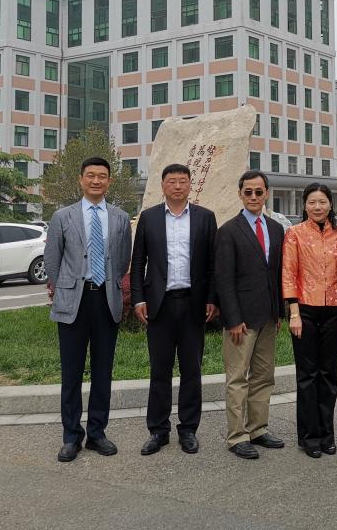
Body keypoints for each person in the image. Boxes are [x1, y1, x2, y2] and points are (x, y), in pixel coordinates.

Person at [45, 157, 132, 463]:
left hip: (106, 300)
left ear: (109, 181)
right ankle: (71, 436)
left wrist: (110, 284)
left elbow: (123, 260)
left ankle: (97, 433)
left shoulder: (120, 217)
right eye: (91, 175)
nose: (96, 181)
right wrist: (63, 288)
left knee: (102, 371)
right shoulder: (63, 216)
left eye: (102, 176)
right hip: (74, 301)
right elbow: (52, 260)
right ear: (81, 179)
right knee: (71, 372)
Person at [130, 163, 218, 457]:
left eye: (182, 181)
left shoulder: (205, 217)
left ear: (190, 185)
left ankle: (188, 429)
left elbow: (212, 263)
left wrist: (212, 298)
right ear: (163, 185)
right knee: (160, 369)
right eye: (172, 181)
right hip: (160, 304)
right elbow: (138, 261)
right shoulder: (150, 217)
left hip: (193, 304)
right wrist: (138, 299)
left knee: (192, 369)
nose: (177, 186)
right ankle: (158, 430)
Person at [214, 170, 286, 460]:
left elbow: (277, 274)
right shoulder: (228, 231)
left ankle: (258, 429)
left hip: (268, 317)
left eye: (259, 192)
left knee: (264, 377)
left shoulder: (276, 229)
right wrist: (232, 319)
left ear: (266, 193)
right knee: (237, 379)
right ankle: (237, 436)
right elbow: (224, 279)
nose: (254, 197)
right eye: (248, 192)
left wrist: (279, 311)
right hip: (241, 320)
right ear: (240, 194)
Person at [282, 183, 337, 458]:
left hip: (335, 309)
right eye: (312, 202)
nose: (317, 207)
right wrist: (294, 313)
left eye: (322, 202)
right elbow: (288, 273)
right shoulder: (294, 234)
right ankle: (309, 436)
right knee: (307, 375)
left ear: (331, 204)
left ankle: (327, 434)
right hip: (305, 310)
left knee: (328, 374)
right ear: (305, 205)